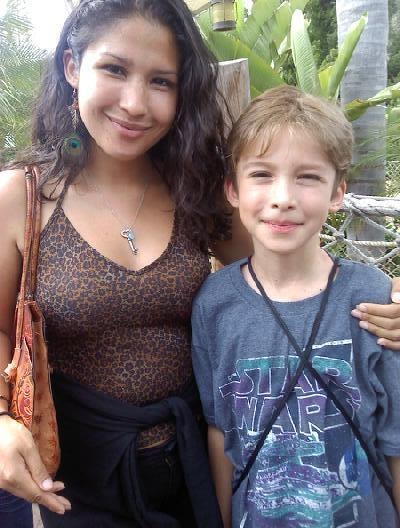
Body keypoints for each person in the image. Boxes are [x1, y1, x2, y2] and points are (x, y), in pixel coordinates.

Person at [0, 1, 399, 527]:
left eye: (161, 81)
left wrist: (385, 293)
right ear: (73, 68)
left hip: (197, 465)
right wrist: (1, 419)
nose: (135, 103)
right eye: (114, 69)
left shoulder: (196, 186)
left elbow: (283, 274)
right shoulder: (22, 196)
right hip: (81, 477)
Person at [191, 85, 400, 528]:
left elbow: (395, 439)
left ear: (337, 192)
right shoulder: (214, 303)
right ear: (232, 189)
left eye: (307, 177)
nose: (283, 196)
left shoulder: (374, 297)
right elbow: (219, 430)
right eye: (262, 174)